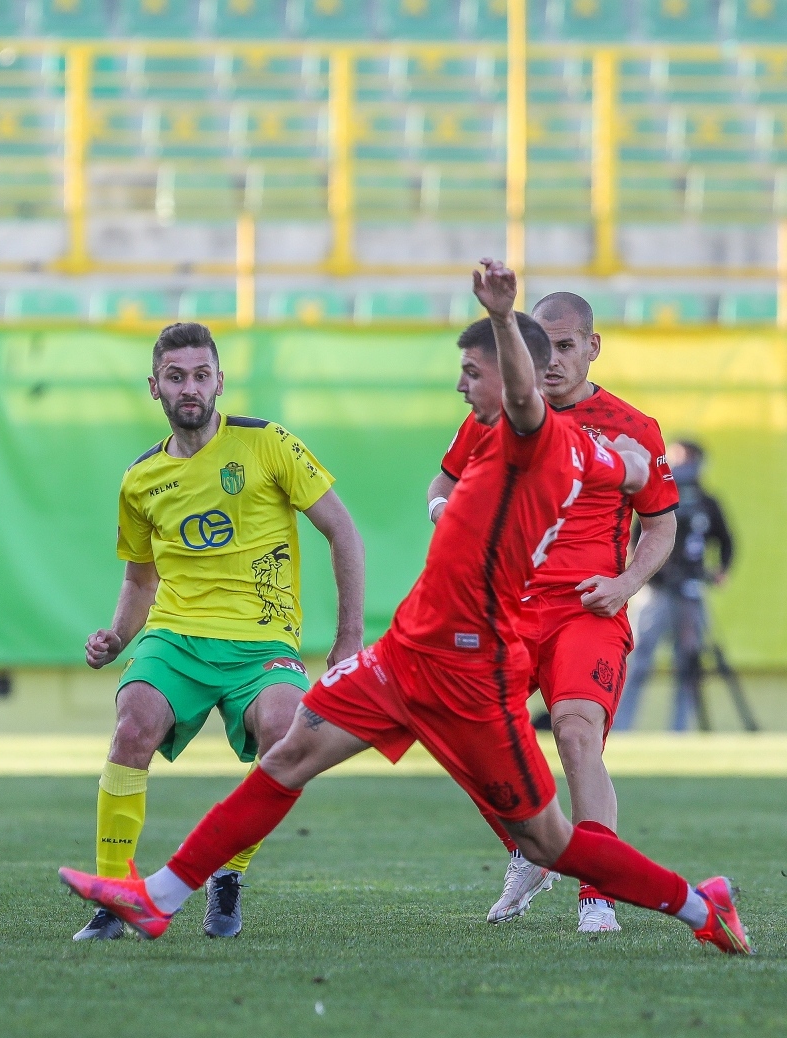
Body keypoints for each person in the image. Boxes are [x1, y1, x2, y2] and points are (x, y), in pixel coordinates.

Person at [58, 259, 752, 957]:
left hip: (467, 671)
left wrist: (507, 320)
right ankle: (159, 898)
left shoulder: (531, 434)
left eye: (471, 372)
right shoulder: (564, 445)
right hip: (405, 653)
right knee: (289, 755)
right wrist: (630, 465)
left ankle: (698, 904)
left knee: (549, 840)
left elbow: (551, 414)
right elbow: (624, 467)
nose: (460, 384)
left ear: (513, 381)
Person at [75, 321, 366, 941]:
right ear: (154, 387)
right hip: (176, 637)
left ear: (219, 382)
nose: (190, 388)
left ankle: (226, 874)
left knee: (287, 733)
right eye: (176, 377)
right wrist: (117, 637)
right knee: (133, 726)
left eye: (201, 375)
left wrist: (348, 641)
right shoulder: (141, 478)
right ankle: (112, 898)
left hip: (262, 642)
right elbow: (139, 581)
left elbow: (344, 533)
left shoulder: (269, 445)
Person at [426, 291, 678, 934]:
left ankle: (597, 893)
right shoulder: (498, 415)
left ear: (593, 347)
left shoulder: (630, 426)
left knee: (574, 733)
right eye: (544, 345)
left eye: (567, 346)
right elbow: (445, 485)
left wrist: (624, 585)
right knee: (464, 735)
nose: (553, 360)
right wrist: (445, 516)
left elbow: (660, 526)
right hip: (503, 608)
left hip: (583, 610)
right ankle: (525, 851)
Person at [619, 440, 735, 731]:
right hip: (655, 592)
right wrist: (639, 572)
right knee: (637, 660)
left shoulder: (707, 502)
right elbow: (636, 536)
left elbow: (726, 539)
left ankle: (680, 729)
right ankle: (619, 727)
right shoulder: (659, 495)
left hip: (691, 592)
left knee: (689, 664)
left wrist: (721, 569)